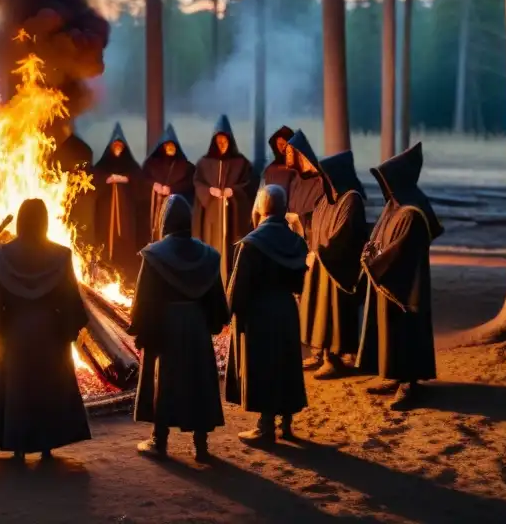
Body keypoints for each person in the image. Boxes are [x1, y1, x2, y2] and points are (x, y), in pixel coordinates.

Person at [0, 198, 92, 461]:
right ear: (45, 222)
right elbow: (70, 298)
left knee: (17, 389)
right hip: (50, 334)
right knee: (49, 387)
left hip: (12, 334)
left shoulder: (1, 256)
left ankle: (18, 447)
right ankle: (47, 445)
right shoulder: (61, 256)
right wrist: (67, 329)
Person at [128, 195, 228, 461]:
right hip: (195, 325)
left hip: (165, 325)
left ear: (165, 221)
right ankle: (201, 445)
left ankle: (159, 440)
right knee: (199, 381)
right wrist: (214, 322)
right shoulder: (208, 255)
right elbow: (216, 296)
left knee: (165, 381)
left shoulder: (153, 254)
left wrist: (140, 327)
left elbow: (144, 297)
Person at [356, 143, 443, 410]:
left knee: (406, 331)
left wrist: (376, 263)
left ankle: (408, 383)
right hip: (390, 280)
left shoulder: (412, 211)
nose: (385, 185)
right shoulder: (394, 206)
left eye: (388, 179)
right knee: (388, 331)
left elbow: (401, 250)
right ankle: (393, 375)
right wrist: (370, 251)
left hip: (406, 285)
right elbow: (379, 236)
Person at [225, 185, 308, 444]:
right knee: (286, 364)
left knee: (263, 367)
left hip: (259, 314)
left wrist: (228, 315)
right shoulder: (296, 241)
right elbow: (299, 284)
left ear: (261, 207)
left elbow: (237, 289)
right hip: (285, 309)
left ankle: (265, 426)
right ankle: (286, 423)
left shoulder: (251, 244)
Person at [293, 148, 368, 377]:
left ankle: (333, 357)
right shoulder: (326, 200)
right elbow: (316, 226)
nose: (323, 181)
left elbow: (345, 235)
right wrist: (311, 250)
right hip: (321, 265)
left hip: (337, 268)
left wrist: (322, 253)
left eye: (326, 176)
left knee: (333, 314)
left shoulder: (351, 199)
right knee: (318, 311)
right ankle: (321, 353)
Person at [192, 115, 258, 285]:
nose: (221, 144)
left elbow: (249, 184)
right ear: (214, 142)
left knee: (231, 247)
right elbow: (198, 182)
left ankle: (231, 281)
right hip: (212, 216)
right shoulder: (204, 163)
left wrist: (233, 191)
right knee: (212, 247)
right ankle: (212, 280)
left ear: (230, 141)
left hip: (233, 216)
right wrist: (209, 190)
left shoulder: (241, 163)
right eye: (218, 140)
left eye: (224, 140)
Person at [91, 123, 146, 287]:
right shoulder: (103, 165)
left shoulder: (131, 166)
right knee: (106, 245)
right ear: (110, 147)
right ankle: (104, 278)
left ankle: (126, 281)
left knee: (125, 244)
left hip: (125, 213)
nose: (118, 147)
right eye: (115, 145)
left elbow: (140, 181)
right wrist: (107, 179)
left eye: (120, 145)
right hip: (106, 213)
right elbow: (94, 180)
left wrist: (125, 179)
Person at [141, 124, 196, 242]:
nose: (170, 147)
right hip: (155, 209)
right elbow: (143, 179)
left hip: (174, 210)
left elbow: (189, 184)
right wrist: (154, 185)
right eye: (167, 145)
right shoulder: (151, 164)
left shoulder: (186, 166)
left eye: (172, 145)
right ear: (163, 147)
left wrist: (172, 189)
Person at [49, 120, 96, 249]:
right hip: (65, 201)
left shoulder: (80, 149)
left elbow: (88, 174)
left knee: (81, 235)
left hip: (80, 201)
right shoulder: (56, 149)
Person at [284, 130, 326, 240]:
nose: (286, 157)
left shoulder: (320, 181)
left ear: (299, 153)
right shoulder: (294, 181)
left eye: (289, 153)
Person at [261, 126, 296, 192]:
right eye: (279, 144)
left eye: (284, 144)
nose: (282, 147)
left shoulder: (299, 166)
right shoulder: (270, 169)